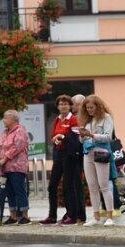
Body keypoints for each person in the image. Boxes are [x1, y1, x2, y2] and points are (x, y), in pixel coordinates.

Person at [40, 95, 80, 225]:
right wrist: (55, 138)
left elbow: (75, 137)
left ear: (70, 106)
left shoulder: (73, 119)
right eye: (61, 104)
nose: (63, 106)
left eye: (66, 104)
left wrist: (62, 136)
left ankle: (72, 216)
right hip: (58, 154)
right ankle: (52, 215)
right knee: (52, 186)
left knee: (69, 186)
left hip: (69, 155)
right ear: (57, 106)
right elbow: (53, 136)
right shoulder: (57, 119)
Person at [78, 94, 116, 226]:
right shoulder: (87, 120)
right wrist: (82, 136)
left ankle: (110, 216)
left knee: (104, 186)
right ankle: (96, 216)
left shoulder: (106, 117)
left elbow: (108, 137)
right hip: (87, 152)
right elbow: (82, 139)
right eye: (87, 108)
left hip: (101, 152)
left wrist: (91, 135)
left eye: (91, 107)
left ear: (98, 106)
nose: (89, 110)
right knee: (92, 186)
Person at [0, 110, 31, 225]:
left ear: (13, 120)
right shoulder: (5, 132)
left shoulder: (20, 131)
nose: (3, 120)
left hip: (17, 166)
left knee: (19, 190)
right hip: (5, 168)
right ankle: (13, 215)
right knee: (8, 191)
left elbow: (17, 147)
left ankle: (25, 215)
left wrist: (4, 158)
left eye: (6, 118)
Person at [71, 94, 88, 223]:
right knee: (76, 184)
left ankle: (81, 214)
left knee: (81, 185)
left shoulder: (84, 118)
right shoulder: (74, 118)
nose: (72, 106)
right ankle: (76, 213)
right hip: (75, 154)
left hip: (84, 153)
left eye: (73, 104)